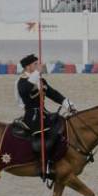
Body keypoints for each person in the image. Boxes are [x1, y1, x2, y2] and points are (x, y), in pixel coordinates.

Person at [17, 54, 74, 185]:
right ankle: (45, 166)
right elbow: (25, 91)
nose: (39, 66)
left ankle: (57, 160)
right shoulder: (22, 81)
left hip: (44, 113)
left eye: (38, 64)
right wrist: (37, 73)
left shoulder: (40, 80)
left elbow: (53, 94)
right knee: (47, 132)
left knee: (61, 125)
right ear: (28, 67)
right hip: (32, 116)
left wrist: (68, 104)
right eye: (35, 64)